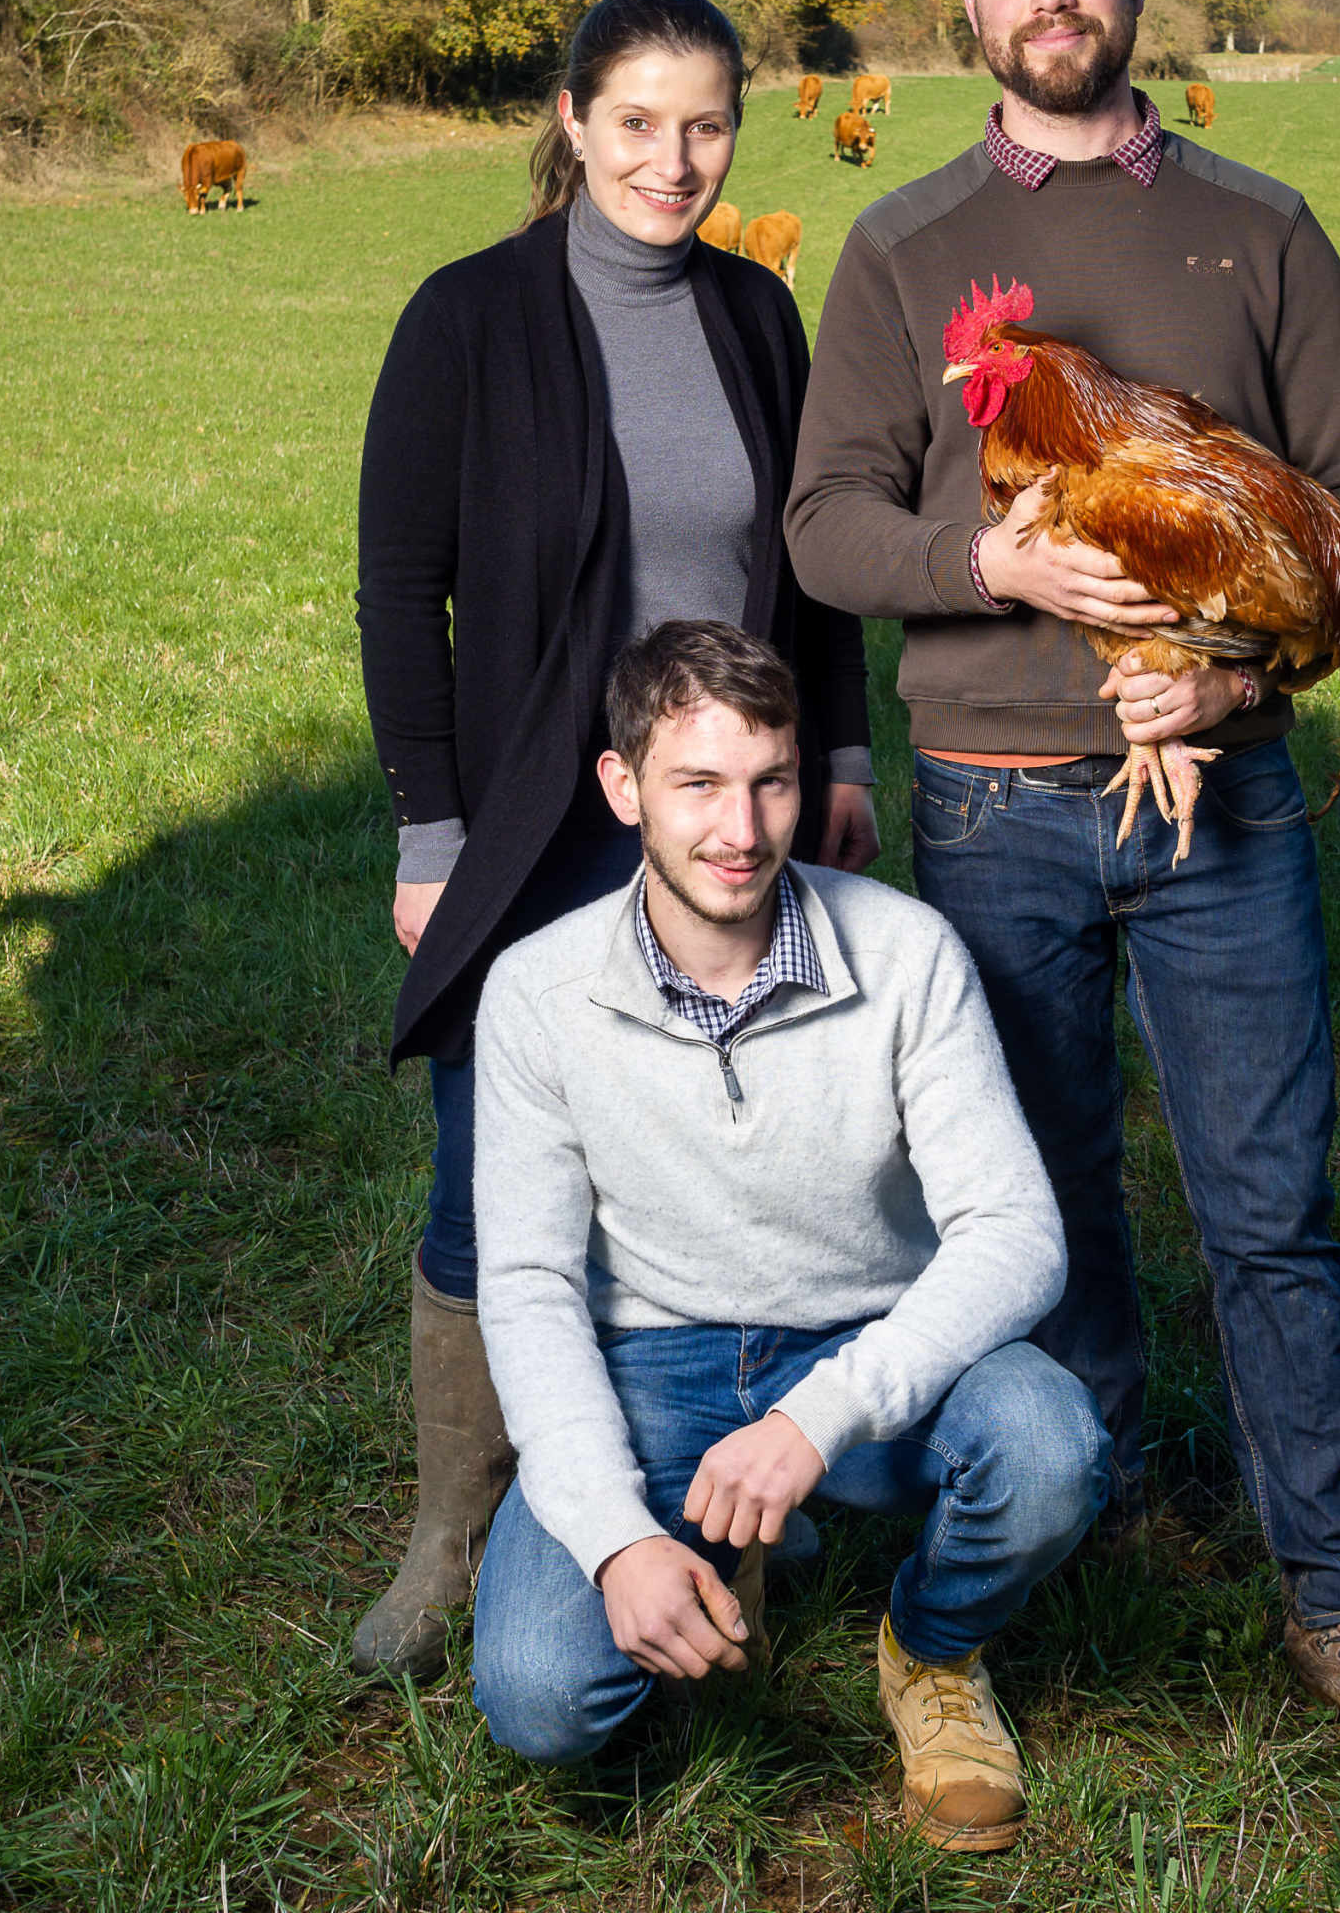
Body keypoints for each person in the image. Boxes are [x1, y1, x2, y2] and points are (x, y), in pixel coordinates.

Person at [784, 0, 1340, 1771]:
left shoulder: (1259, 226)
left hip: (1230, 807)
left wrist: (1232, 666)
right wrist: (990, 564)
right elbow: (827, 518)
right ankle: (1077, 1546)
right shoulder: (901, 243)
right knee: (1043, 1199)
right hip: (995, 806)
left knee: (1272, 1207)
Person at [352, 0, 878, 1682]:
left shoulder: (751, 316)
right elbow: (397, 589)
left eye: (707, 125)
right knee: (488, 1174)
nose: (677, 158)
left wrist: (845, 744)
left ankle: (726, 1511)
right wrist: (435, 828)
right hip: (535, 823)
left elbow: (808, 561)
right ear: (573, 120)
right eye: (639, 122)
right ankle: (457, 1529)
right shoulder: (468, 320)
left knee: (732, 1158)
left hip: (722, 814)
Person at [469, 621, 1106, 1851]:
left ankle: (930, 1646)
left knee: (1051, 1444)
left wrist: (816, 1418)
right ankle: (707, 1540)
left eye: (771, 780)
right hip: (651, 1356)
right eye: (696, 784)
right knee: (546, 1697)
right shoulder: (537, 993)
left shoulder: (906, 949)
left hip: (863, 1334)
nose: (742, 830)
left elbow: (1018, 1232)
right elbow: (532, 1287)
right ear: (623, 788)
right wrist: (613, 1546)